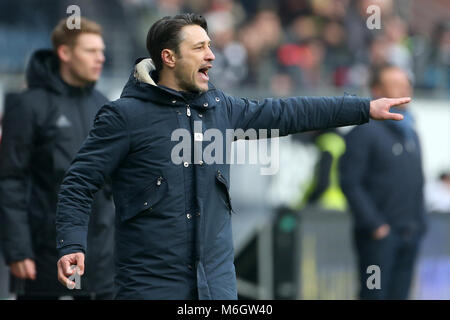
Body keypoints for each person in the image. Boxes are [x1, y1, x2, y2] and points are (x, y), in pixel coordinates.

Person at [55, 13, 411, 300]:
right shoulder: (124, 116)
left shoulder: (221, 108)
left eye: (210, 46)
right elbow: (79, 182)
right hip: (151, 287)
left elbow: (290, 113)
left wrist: (362, 108)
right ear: (168, 57)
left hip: (216, 286)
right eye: (200, 48)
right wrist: (72, 242)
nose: (211, 55)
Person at [0, 17, 115, 299]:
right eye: (90, 51)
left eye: (101, 51)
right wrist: (17, 250)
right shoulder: (27, 105)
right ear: (64, 53)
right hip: (45, 257)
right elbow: (9, 181)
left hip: (103, 260)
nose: (100, 58)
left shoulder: (103, 103)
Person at [339, 64, 426, 300]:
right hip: (378, 238)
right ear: (377, 90)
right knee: (374, 295)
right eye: (395, 84)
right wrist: (376, 226)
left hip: (409, 233)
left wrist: (420, 223)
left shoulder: (411, 132)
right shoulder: (365, 132)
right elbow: (350, 182)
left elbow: (417, 182)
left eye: (406, 84)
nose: (404, 89)